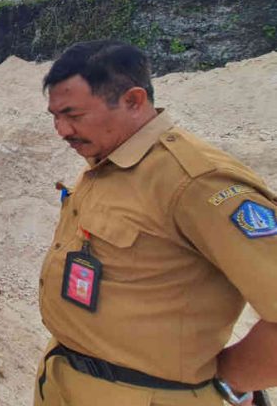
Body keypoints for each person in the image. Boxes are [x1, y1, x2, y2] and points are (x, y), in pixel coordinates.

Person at [35, 40, 277, 406]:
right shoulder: (109, 161)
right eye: (54, 116)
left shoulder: (196, 182)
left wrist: (228, 386)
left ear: (133, 101)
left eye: (73, 115)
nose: (62, 130)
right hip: (65, 380)